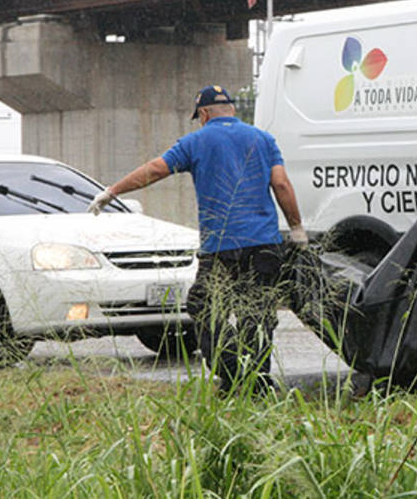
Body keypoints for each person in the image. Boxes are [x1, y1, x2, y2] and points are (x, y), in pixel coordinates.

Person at [88, 85, 307, 395]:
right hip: (264, 245)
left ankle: (232, 378)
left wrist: (112, 191)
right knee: (256, 315)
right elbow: (281, 184)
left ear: (204, 114)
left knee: (204, 308)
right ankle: (257, 384)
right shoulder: (263, 139)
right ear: (231, 109)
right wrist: (297, 228)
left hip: (221, 249)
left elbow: (155, 169)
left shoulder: (196, 141)